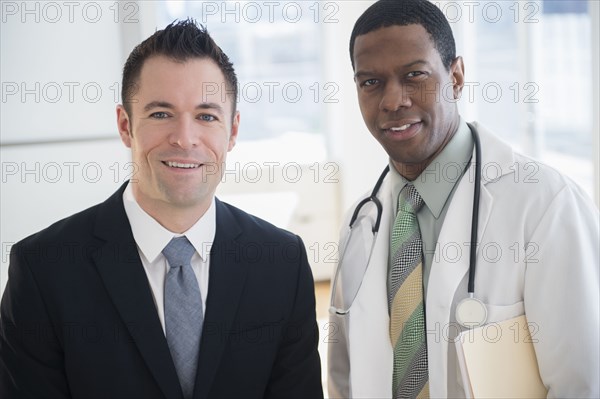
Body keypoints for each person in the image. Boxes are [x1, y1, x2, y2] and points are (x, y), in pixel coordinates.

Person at [0, 19, 323, 398]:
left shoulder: (281, 261)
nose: (185, 139)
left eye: (206, 116)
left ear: (233, 131)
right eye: (160, 114)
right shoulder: (44, 269)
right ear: (125, 125)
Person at [327, 0, 599, 398]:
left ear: (456, 77)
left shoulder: (545, 205)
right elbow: (344, 379)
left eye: (414, 75)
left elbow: (584, 383)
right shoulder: (360, 222)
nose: (392, 101)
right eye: (371, 82)